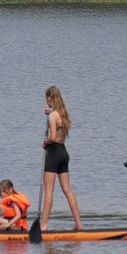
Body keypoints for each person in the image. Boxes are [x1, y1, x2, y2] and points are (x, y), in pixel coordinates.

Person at [40, 86, 83, 231]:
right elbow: (58, 128)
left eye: (46, 99)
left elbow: (52, 137)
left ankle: (43, 226)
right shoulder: (63, 114)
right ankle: (78, 223)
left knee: (49, 191)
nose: (46, 102)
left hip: (53, 153)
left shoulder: (53, 116)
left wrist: (45, 143)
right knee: (67, 190)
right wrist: (51, 113)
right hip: (64, 152)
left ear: (50, 98)